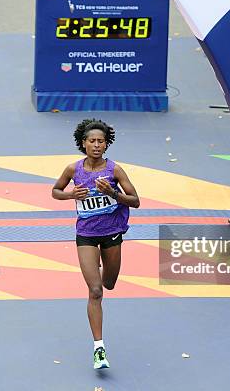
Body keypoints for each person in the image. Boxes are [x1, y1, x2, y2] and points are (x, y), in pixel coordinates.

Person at [52, 118, 140, 369]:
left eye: (101, 141)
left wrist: (112, 193)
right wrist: (71, 194)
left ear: (106, 144)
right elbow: (55, 191)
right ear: (84, 143)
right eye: (92, 141)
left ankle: (101, 271)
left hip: (112, 234)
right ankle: (99, 349)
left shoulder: (115, 170)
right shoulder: (73, 169)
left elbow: (135, 201)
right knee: (96, 291)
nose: (97, 145)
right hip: (87, 236)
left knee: (109, 284)